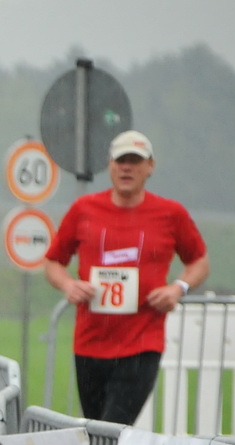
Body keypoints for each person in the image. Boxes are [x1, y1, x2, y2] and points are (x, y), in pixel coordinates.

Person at [42, 130, 209, 426]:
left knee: (113, 427)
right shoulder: (84, 209)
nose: (127, 168)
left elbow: (199, 261)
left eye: (135, 161)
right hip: (90, 343)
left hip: (141, 342)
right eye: (121, 161)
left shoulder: (170, 213)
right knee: (96, 428)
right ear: (110, 165)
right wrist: (68, 285)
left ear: (150, 166)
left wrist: (178, 288)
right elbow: (53, 262)